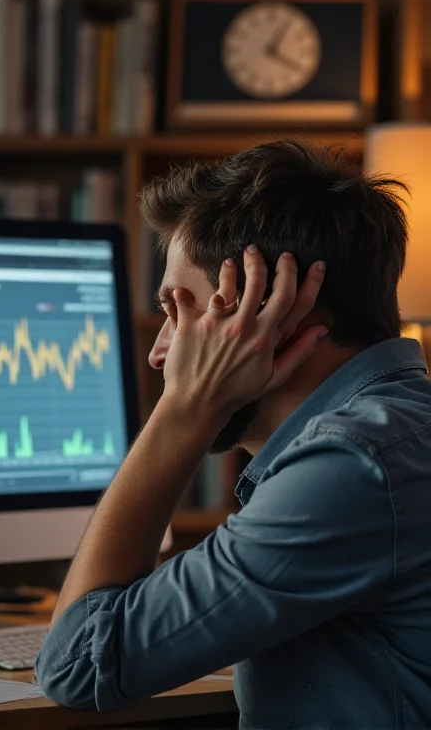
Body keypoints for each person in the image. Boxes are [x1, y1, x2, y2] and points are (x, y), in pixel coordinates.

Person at [36, 140, 431, 729]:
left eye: (182, 312)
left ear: (278, 315)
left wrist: (185, 407)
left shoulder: (353, 465)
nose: (160, 353)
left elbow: (78, 667)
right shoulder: (398, 429)